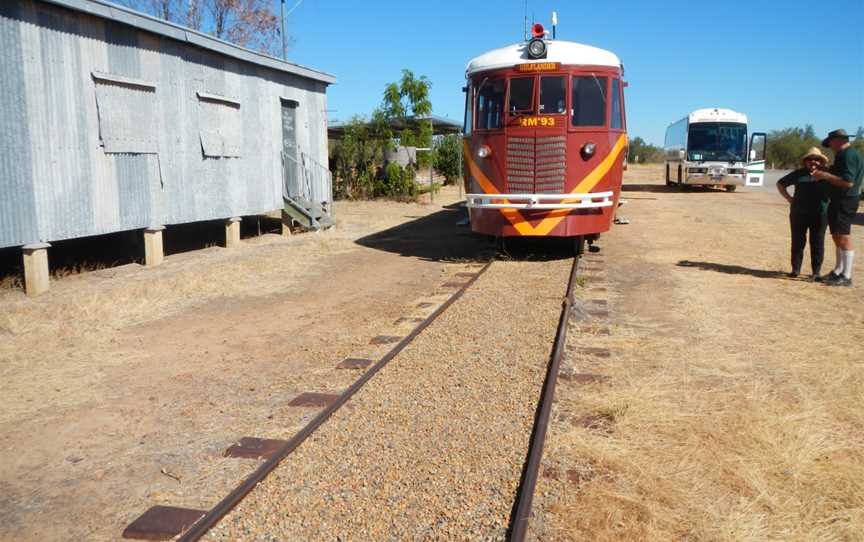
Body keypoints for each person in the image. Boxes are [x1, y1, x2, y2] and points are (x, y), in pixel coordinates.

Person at [812, 129, 864, 287]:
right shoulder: (844, 155)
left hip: (845, 199)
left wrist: (825, 176)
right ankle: (838, 271)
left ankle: (846, 276)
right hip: (839, 199)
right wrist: (825, 171)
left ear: (838, 140)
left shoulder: (848, 155)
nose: (830, 147)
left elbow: (848, 182)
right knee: (837, 235)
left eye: (830, 143)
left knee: (843, 235)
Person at [776, 147, 830, 279]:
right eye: (810, 159)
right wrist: (790, 199)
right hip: (799, 212)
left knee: (817, 242)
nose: (813, 162)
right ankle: (795, 270)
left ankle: (816, 272)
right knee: (797, 241)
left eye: (816, 159)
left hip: (820, 213)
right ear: (805, 161)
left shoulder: (827, 175)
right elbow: (780, 184)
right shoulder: (799, 174)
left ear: (821, 161)